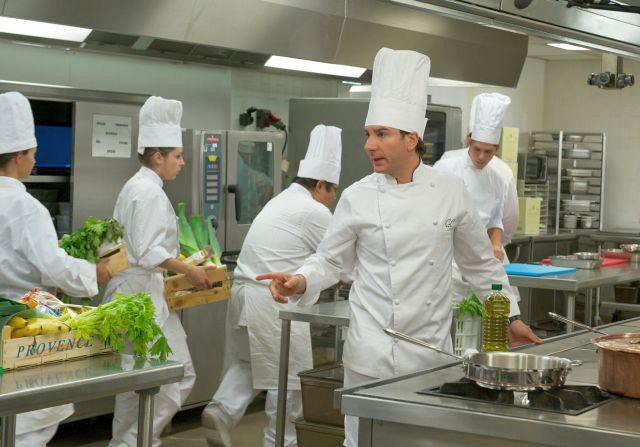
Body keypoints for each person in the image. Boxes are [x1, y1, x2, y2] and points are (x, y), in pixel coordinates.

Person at [256, 48, 543, 447]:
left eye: (381, 134)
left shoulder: (450, 191)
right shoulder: (357, 196)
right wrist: (300, 280)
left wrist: (510, 316)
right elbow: (329, 260)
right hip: (369, 353)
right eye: (368, 134)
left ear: (412, 139)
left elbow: (480, 264)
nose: (369, 145)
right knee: (362, 442)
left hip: (428, 353)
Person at [202, 124, 343, 447]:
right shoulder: (313, 211)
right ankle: (280, 441)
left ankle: (222, 410)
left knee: (248, 362)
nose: (333, 199)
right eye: (332, 191)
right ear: (320, 184)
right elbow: (340, 259)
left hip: (243, 291)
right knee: (289, 381)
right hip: (271, 298)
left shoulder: (281, 199)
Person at [0, 91, 112, 446]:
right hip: (23, 324)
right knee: (30, 423)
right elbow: (53, 268)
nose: (35, 160)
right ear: (18, 156)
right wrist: (94, 272)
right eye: (33, 153)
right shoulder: (26, 208)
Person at [103, 96, 214, 447]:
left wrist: (180, 263)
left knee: (140, 380)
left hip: (137, 294)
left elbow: (143, 247)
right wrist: (190, 272)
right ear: (157, 156)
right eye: (177, 156)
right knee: (171, 377)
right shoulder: (148, 192)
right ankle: (133, 443)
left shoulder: (138, 187)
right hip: (139, 297)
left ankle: (129, 442)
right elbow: (149, 251)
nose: (182, 162)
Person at [434, 93, 521, 303]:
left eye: (488, 152)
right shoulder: (445, 168)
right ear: (468, 141)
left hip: (484, 259)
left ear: (496, 149)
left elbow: (497, 220)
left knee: (492, 313)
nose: (481, 157)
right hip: (451, 259)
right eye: (477, 149)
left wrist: (496, 244)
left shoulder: (498, 177)